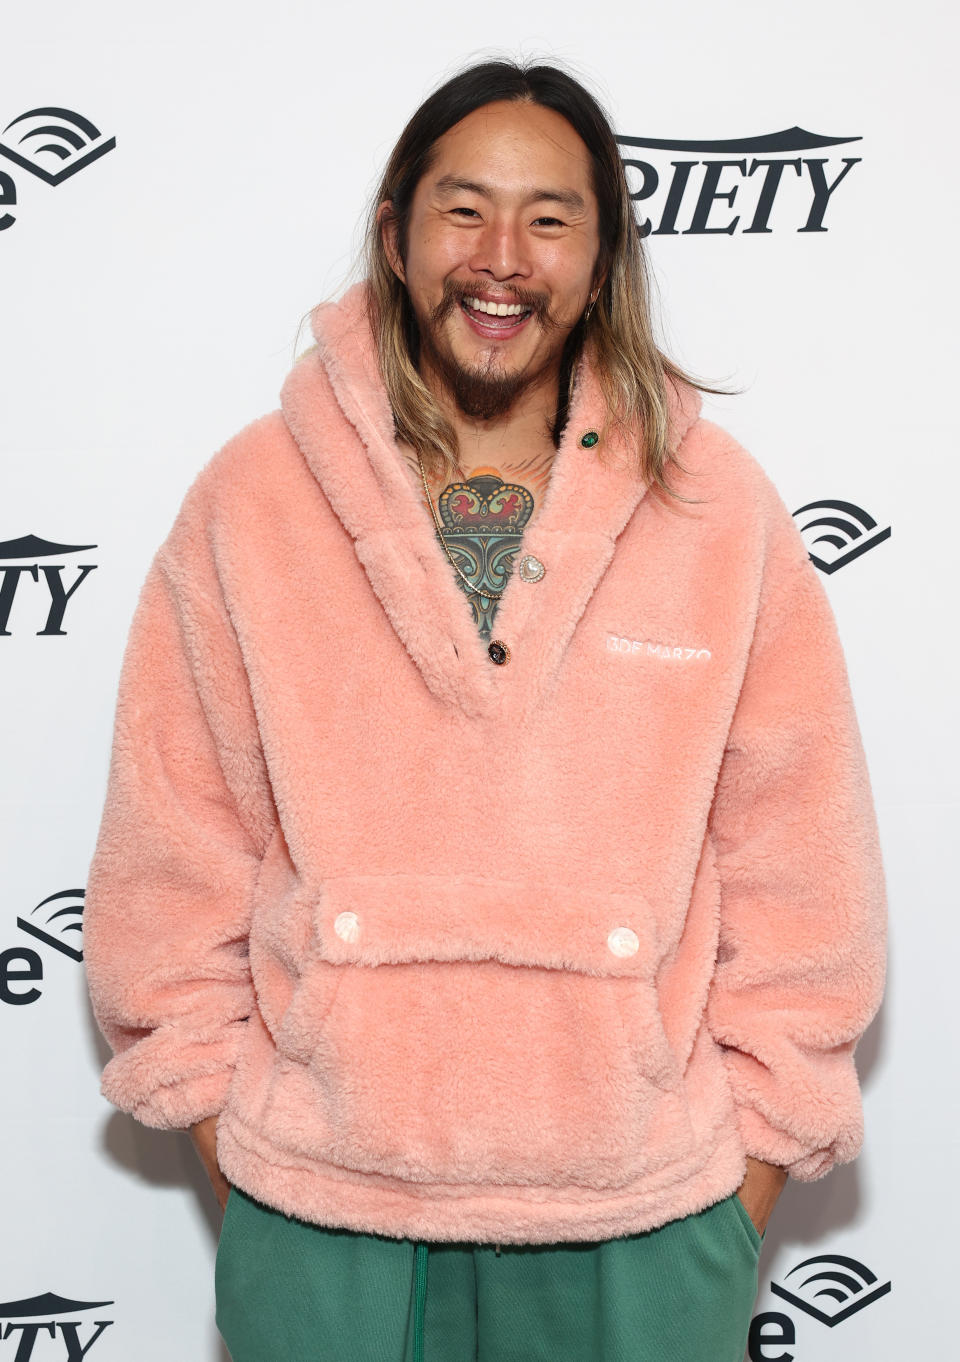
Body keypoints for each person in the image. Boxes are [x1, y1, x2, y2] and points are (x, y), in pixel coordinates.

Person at [83, 58, 887, 1362]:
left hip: (644, 1227)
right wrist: (249, 1157)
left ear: (605, 252)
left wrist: (741, 1198)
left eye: (550, 218)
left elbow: (806, 870)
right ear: (398, 232)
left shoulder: (718, 509)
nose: (501, 257)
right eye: (464, 209)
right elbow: (170, 856)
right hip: (324, 1227)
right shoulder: (253, 502)